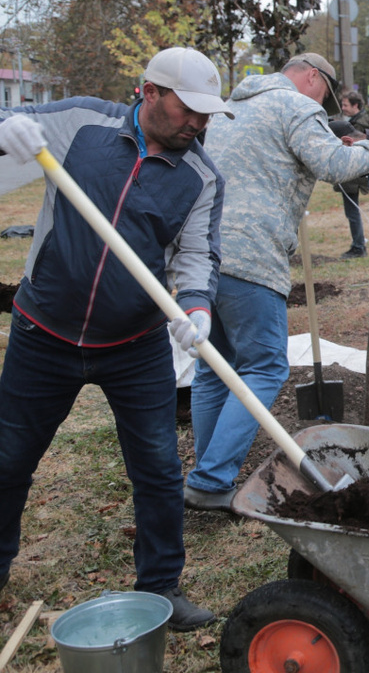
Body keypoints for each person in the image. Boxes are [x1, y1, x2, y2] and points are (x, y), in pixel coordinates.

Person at [0, 47, 229, 630]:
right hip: (43, 333)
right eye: (189, 108)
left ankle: (162, 590)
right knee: (8, 460)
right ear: (149, 92)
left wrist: (197, 310)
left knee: (156, 468)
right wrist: (8, 129)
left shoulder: (201, 177)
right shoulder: (80, 124)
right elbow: (6, 139)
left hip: (135, 344)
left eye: (207, 113)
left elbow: (198, 257)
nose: (199, 122)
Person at [184, 53, 369, 511]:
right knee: (264, 367)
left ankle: (207, 471)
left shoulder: (231, 106)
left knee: (213, 369)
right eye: (326, 90)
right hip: (251, 254)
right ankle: (210, 479)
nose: (326, 102)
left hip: (201, 251)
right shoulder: (297, 105)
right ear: (312, 77)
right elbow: (335, 165)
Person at [335, 91, 369, 259]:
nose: (343, 108)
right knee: (352, 212)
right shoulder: (357, 121)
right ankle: (358, 245)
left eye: (345, 105)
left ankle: (359, 246)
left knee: (352, 213)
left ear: (355, 106)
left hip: (354, 176)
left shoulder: (360, 125)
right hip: (355, 175)